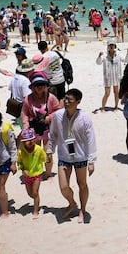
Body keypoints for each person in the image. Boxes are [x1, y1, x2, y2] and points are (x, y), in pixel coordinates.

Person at [47, 88, 97, 223]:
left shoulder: (85, 118)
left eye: (70, 100)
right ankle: (72, 202)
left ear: (78, 102)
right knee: (63, 186)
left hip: (80, 156)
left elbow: (90, 139)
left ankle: (83, 209)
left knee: (82, 184)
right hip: (64, 156)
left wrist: (91, 161)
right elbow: (53, 135)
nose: (66, 102)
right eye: (65, 99)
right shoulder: (57, 116)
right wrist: (49, 151)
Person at [21, 73, 61, 178]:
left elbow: (58, 111)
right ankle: (38, 171)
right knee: (35, 152)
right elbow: (24, 114)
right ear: (33, 87)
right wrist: (25, 128)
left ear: (45, 86)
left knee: (48, 152)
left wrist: (49, 118)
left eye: (42, 85)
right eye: (37, 85)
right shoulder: (28, 99)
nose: (39, 87)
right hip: (34, 131)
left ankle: (47, 174)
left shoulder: (51, 98)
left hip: (48, 130)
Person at [16, 128, 46, 217]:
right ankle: (36, 200)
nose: (29, 142)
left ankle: (36, 210)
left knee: (35, 192)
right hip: (27, 175)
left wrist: (48, 158)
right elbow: (19, 162)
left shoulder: (39, 149)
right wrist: (22, 169)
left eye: (31, 140)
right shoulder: (21, 151)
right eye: (27, 140)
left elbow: (44, 158)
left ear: (35, 139)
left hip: (37, 174)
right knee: (30, 193)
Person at [95, 42, 128, 112]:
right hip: (107, 77)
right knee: (107, 93)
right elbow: (98, 63)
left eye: (112, 45)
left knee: (116, 92)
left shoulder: (118, 55)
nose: (111, 47)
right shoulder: (104, 55)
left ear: (115, 46)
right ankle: (103, 107)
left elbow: (126, 60)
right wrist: (99, 56)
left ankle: (116, 107)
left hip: (116, 77)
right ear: (108, 46)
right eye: (110, 45)